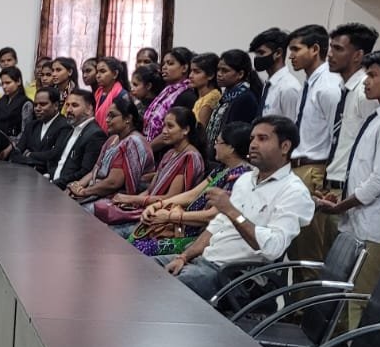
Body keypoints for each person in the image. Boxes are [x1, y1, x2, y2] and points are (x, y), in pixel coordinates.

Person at [314, 46, 380, 329]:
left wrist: (341, 205)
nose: (366, 82)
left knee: (363, 297)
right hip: (358, 219)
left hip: (375, 224)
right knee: (347, 294)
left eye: (373, 75)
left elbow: (379, 180)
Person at [163, 115, 315, 300]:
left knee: (163, 290)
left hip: (236, 277)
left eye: (262, 139)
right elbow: (216, 227)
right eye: (252, 138)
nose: (253, 144)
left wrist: (231, 211)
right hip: (204, 261)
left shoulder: (293, 191)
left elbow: (272, 248)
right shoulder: (245, 180)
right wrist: (183, 257)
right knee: (144, 268)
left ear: (285, 147)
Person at [129, 122, 255, 257]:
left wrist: (171, 217)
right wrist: (158, 205)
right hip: (184, 225)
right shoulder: (223, 168)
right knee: (134, 239)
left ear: (231, 148)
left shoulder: (240, 176)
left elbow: (212, 215)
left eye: (218, 142)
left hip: (200, 236)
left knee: (138, 249)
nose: (215, 146)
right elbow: (193, 194)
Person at [283, 25, 344, 264]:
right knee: (296, 248)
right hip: (298, 167)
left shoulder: (328, 86)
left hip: (314, 170)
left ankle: (310, 290)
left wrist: (325, 176)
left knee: (310, 250)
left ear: (315, 49)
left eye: (296, 49)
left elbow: (336, 136)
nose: (291, 56)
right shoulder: (309, 83)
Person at [95, 106, 209, 223]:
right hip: (148, 209)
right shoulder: (169, 154)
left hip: (162, 219)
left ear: (185, 130)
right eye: (164, 126)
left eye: (170, 126)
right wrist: (129, 202)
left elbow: (170, 199)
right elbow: (150, 191)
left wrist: (131, 199)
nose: (164, 131)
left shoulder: (190, 158)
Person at [323, 23, 380, 205]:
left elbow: (372, 144)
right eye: (331, 47)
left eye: (338, 49)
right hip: (333, 182)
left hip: (350, 186)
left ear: (358, 55)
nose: (330, 54)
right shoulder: (344, 88)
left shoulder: (365, 92)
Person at [68, 92, 150, 205]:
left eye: (112, 116)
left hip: (116, 198)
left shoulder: (133, 142)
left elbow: (113, 183)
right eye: (107, 116)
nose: (107, 120)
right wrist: (78, 185)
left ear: (128, 119)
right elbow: (95, 170)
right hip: (97, 190)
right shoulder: (112, 139)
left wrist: (84, 192)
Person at [48, 88, 105, 188]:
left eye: (74, 105)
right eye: (67, 105)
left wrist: (55, 184)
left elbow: (85, 172)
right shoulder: (71, 129)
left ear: (89, 109)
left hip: (68, 191)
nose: (68, 110)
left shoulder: (95, 135)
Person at [207, 49, 263, 149]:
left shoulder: (244, 99)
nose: (219, 74)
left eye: (225, 70)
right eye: (218, 69)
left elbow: (235, 137)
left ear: (240, 74)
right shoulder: (226, 96)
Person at [11, 87, 70, 172]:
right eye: (35, 105)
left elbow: (55, 155)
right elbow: (16, 154)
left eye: (43, 104)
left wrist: (29, 154)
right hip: (25, 173)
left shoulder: (65, 126)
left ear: (56, 105)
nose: (37, 108)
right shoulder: (31, 126)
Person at [250, 27, 301, 122]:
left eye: (261, 52)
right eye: (256, 53)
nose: (257, 58)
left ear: (278, 53)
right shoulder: (269, 84)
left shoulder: (288, 88)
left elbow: (291, 126)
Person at [143, 50, 194, 141]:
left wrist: (150, 147)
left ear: (184, 68)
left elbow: (174, 130)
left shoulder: (187, 95)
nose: (164, 67)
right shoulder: (166, 91)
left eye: (170, 63)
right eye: (164, 64)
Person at [0, 66, 31, 159]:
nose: (4, 86)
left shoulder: (26, 103)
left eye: (8, 83)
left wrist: (9, 149)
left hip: (15, 149)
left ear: (18, 81)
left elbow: (25, 131)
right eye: (2, 83)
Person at [188, 53, 221, 128]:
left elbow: (201, 130)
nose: (190, 76)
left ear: (210, 75)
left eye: (196, 72)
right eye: (191, 71)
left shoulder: (212, 97)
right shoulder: (201, 96)